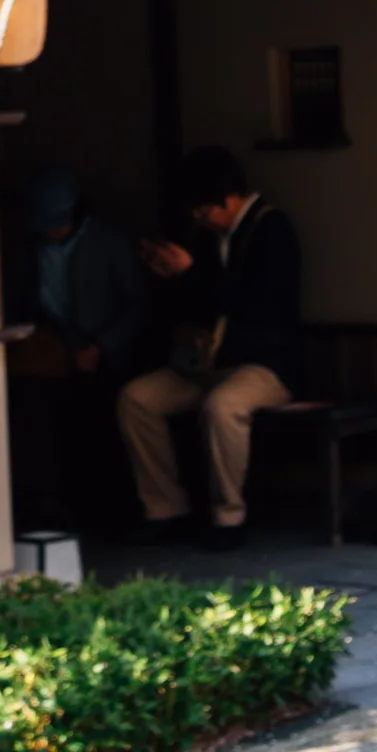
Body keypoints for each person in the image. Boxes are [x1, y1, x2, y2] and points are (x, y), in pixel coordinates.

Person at [119, 146, 306, 547]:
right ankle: (165, 508)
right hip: (206, 361)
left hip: (265, 364)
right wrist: (171, 275)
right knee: (137, 399)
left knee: (223, 406)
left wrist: (190, 275)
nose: (199, 217)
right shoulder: (206, 240)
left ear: (230, 198)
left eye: (204, 209)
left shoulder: (273, 231)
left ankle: (228, 517)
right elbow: (199, 303)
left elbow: (256, 305)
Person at [24, 168, 148, 525]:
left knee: (106, 428)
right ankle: (53, 507)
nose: (52, 231)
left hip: (106, 355)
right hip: (54, 351)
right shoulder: (30, 249)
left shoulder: (108, 243)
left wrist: (102, 346)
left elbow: (137, 305)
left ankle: (113, 513)